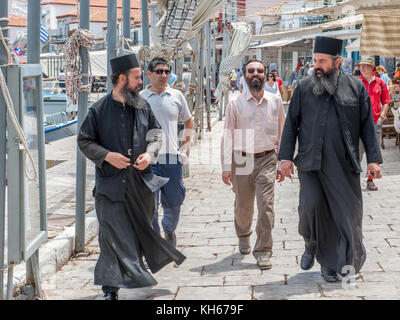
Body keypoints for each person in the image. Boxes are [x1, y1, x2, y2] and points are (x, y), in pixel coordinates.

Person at [77, 53, 186, 300]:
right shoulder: (99, 110)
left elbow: (156, 134)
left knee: (141, 230)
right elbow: (84, 140)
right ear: (122, 79)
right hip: (110, 186)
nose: (140, 83)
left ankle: (136, 272)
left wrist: (149, 154)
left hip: (141, 184)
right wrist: (107, 156)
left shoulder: (142, 106)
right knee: (110, 235)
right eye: (137, 78)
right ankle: (110, 289)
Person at [278, 36, 382, 282]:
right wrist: (285, 158)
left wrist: (373, 160)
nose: (317, 65)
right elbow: (291, 124)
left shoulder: (356, 88)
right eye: (315, 60)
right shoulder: (303, 87)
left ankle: (331, 265)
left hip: (343, 165)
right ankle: (310, 242)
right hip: (309, 162)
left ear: (338, 61)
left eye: (322, 61)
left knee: (343, 216)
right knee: (311, 207)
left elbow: (367, 126)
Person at [221, 59, 285, 270]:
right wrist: (226, 166)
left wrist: (283, 161)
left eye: (259, 70)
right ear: (245, 75)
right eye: (251, 70)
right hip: (242, 157)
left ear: (265, 75)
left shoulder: (275, 101)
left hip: (267, 157)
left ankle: (264, 249)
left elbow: (283, 133)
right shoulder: (235, 103)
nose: (255, 73)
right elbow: (228, 134)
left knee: (266, 205)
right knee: (244, 204)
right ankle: (243, 234)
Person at [140, 57, 194, 248]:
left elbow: (188, 122)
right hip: (148, 160)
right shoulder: (140, 98)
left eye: (166, 71)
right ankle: (155, 244)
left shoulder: (177, 96)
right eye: (159, 71)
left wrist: (185, 149)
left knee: (174, 202)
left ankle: (169, 230)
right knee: (150, 206)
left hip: (172, 159)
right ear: (149, 73)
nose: (163, 75)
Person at [358, 56, 391, 191]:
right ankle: (353, 181)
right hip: (359, 125)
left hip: (374, 123)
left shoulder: (380, 83)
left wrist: (381, 118)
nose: (362, 68)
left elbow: (386, 102)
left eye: (365, 66)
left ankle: (370, 180)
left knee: (373, 154)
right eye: (361, 66)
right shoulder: (356, 83)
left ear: (372, 68)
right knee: (356, 153)